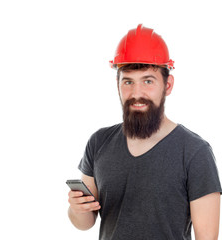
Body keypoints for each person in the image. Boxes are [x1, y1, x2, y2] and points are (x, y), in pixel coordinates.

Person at [67, 24, 222, 239]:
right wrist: (76, 209)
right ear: (118, 84)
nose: (136, 93)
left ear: (168, 85)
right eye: (128, 81)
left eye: (148, 81)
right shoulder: (98, 143)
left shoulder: (195, 152)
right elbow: (84, 223)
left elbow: (207, 237)